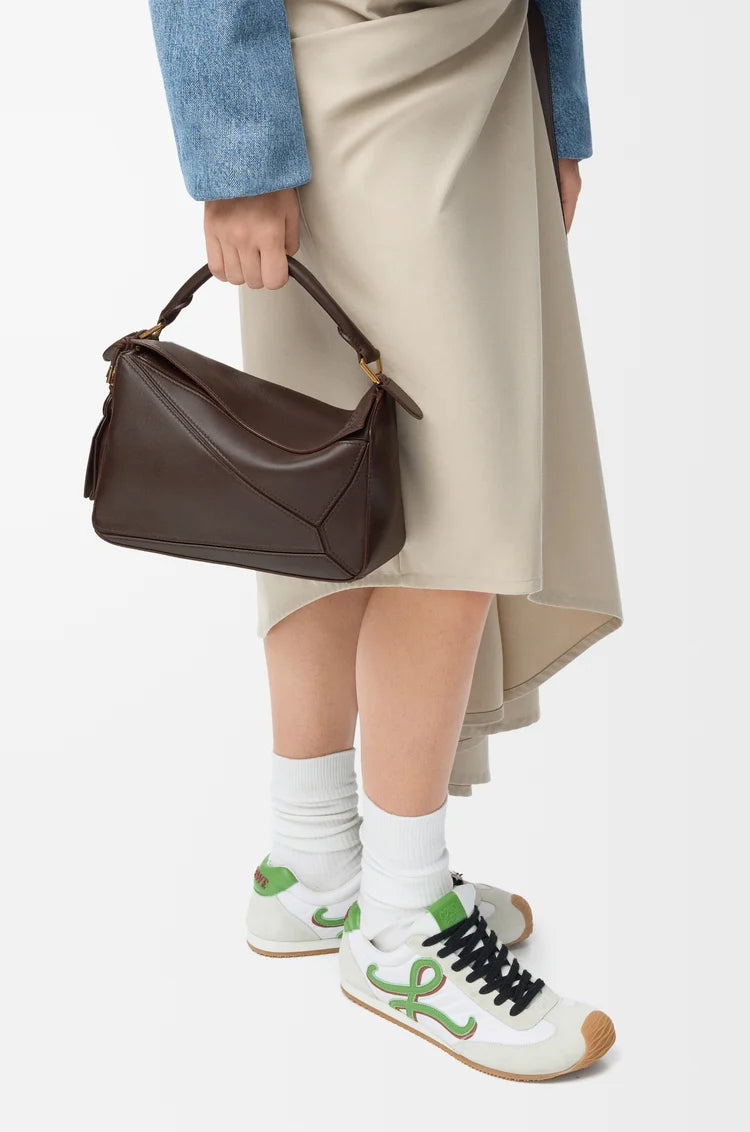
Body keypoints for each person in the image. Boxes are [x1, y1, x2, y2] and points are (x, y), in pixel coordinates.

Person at [147, 0, 622, 1081]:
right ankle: (404, 923)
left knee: (334, 483)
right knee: (448, 490)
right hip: (353, 56)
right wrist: (237, 152)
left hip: (481, 61)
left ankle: (315, 864)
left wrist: (557, 98)